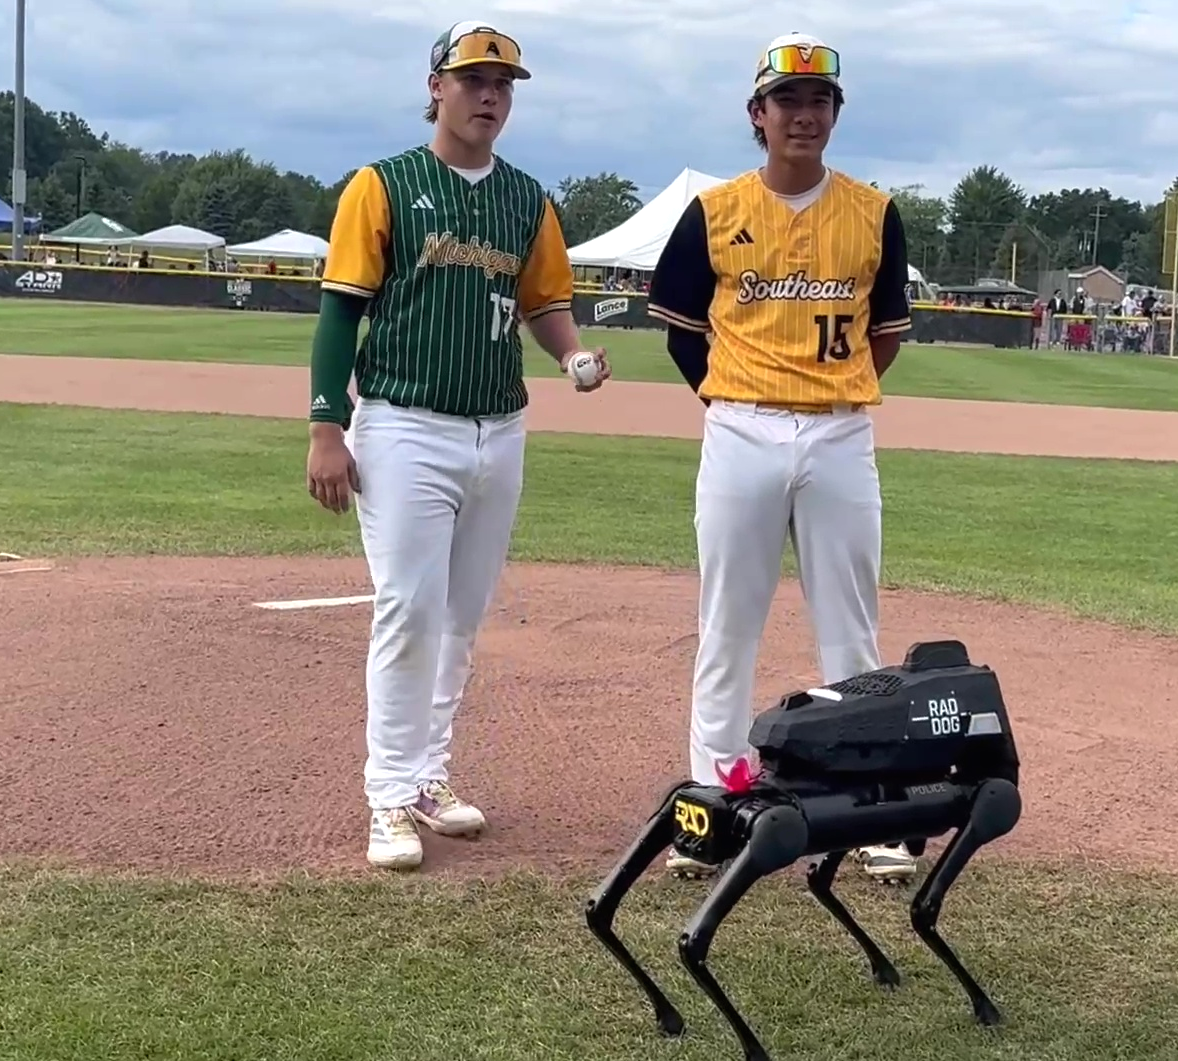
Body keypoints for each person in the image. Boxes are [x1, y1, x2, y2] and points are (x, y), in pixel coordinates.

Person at [304, 21, 611, 871]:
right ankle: (388, 797)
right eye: (474, 79)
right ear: (435, 86)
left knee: (461, 618)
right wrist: (327, 426)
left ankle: (430, 776)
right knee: (408, 609)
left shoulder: (527, 199)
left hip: (498, 427)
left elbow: (543, 302)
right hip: (403, 423)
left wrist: (571, 353)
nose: (490, 96)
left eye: (504, 84)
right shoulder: (383, 186)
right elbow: (340, 311)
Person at [646, 32, 918, 884]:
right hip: (741, 428)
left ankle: (874, 808)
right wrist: (734, 399)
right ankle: (712, 804)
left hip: (839, 429)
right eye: (787, 102)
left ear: (835, 116)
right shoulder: (716, 211)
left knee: (852, 627)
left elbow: (886, 334)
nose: (804, 115)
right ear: (757, 115)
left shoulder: (873, 212)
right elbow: (684, 334)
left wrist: (826, 396)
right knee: (728, 624)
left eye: (820, 102)